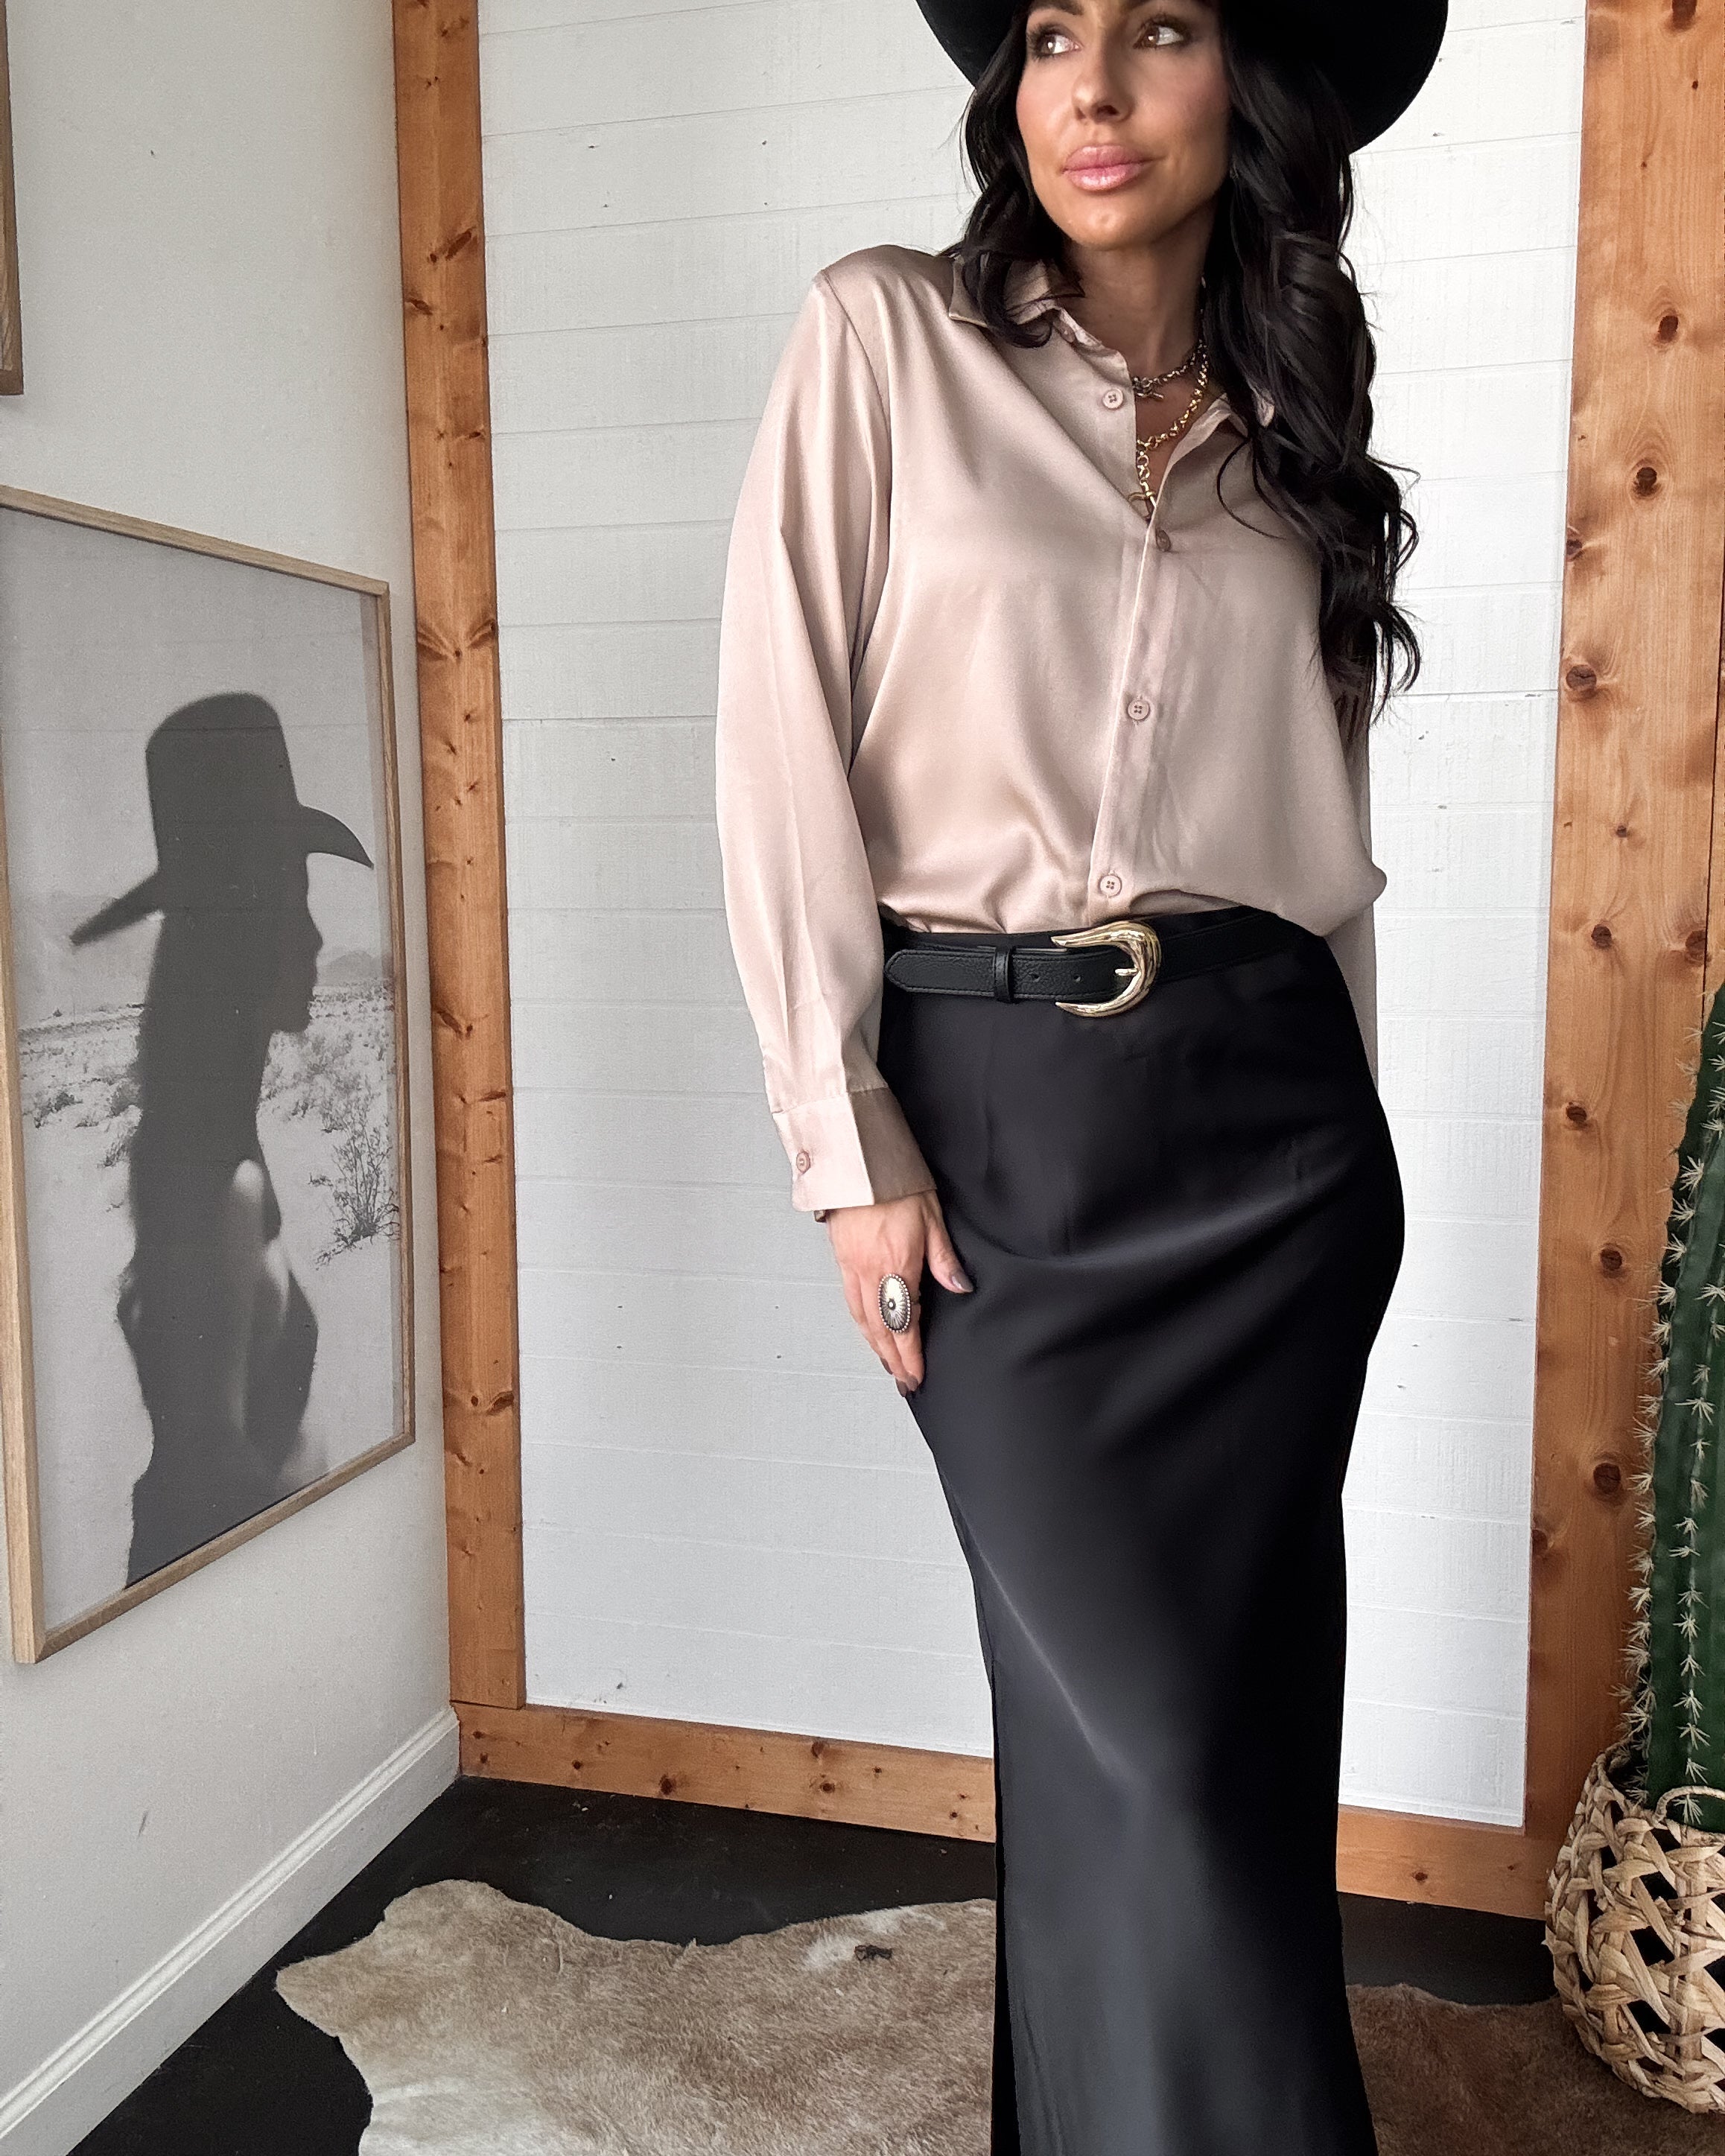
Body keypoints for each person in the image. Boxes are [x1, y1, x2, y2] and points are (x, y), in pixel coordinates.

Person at [714, 0, 1444, 2146]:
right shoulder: (878, 342)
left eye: (1157, 31)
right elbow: (778, 751)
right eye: (1047, 35)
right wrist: (842, 1137)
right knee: (1144, 1743)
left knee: (1196, 1746)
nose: (1091, 92)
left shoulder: (1295, 423)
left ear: (1253, 91)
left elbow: (1327, 846)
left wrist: (1359, 1139)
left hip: (1276, 1145)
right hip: (997, 1119)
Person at [71, 693, 375, 1586]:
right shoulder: (220, 1187)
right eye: (297, 901)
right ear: (241, 929)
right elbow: (204, 1500)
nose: (318, 936)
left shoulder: (208, 1148)